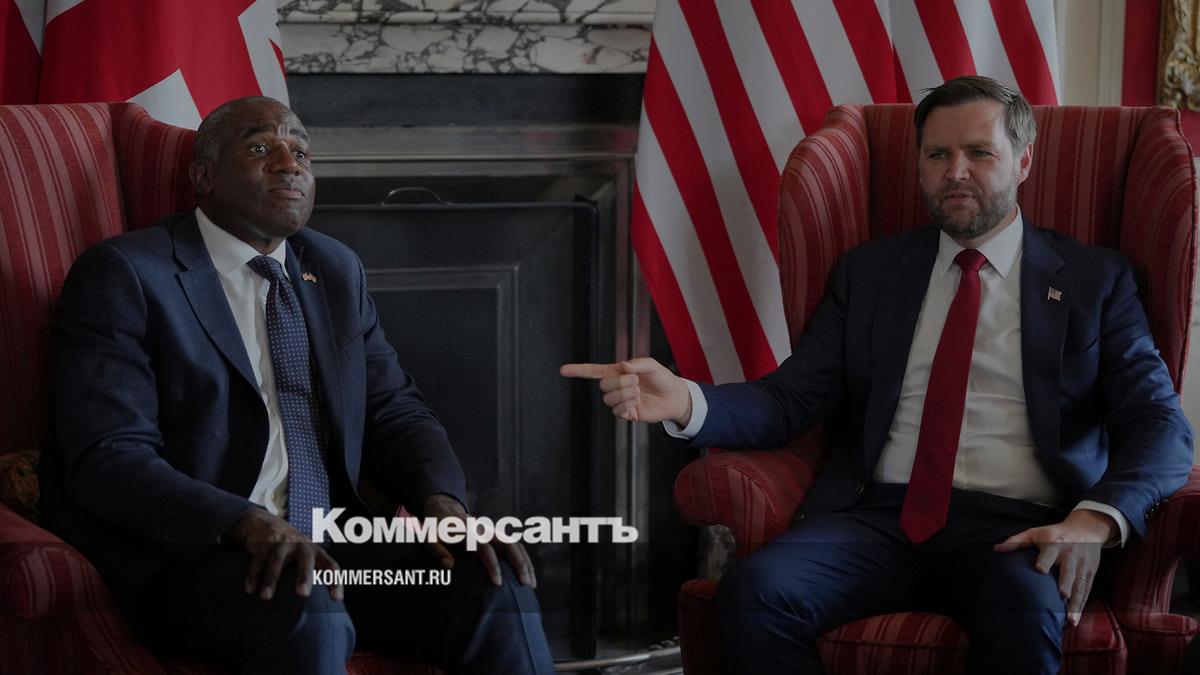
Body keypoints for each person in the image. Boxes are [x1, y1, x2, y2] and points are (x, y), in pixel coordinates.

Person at [562, 76, 1194, 674]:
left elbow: (1159, 424)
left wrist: (1096, 518)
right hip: (878, 519)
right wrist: (687, 401)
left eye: (979, 152)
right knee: (752, 595)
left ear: (1023, 161)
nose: (956, 172)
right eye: (937, 154)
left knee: (1024, 616)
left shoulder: (1094, 281)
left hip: (1020, 526)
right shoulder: (870, 273)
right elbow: (791, 399)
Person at [40, 96, 556, 675]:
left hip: (337, 548)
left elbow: (394, 411)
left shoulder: (334, 268)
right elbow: (109, 456)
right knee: (306, 600)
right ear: (204, 178)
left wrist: (443, 504)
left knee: (492, 580)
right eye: (262, 147)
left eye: (301, 152)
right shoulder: (127, 273)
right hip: (198, 555)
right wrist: (246, 522)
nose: (290, 163)